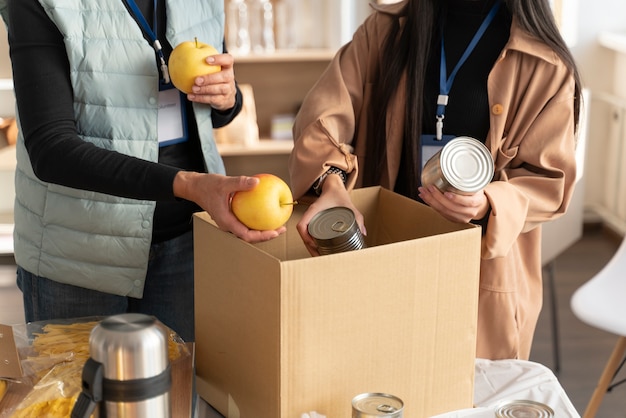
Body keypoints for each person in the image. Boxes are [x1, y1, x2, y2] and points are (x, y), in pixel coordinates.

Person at [288, 0, 582, 360]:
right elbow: (321, 117)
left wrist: (489, 203)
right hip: (384, 261)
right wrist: (331, 182)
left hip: (475, 279)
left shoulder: (545, 64)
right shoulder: (385, 31)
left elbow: (549, 181)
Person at [0, 0, 284, 343]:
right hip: (77, 256)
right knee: (76, 394)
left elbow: (211, 114)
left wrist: (227, 97)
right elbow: (51, 149)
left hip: (186, 244)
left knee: (178, 394)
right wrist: (190, 185)